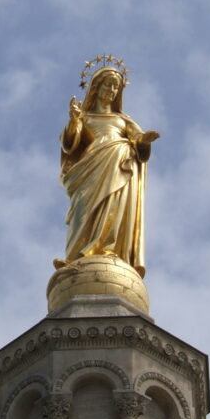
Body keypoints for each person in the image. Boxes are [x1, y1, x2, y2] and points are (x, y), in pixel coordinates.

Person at [57, 66, 159, 278]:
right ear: (96, 87)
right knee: (83, 210)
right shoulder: (85, 117)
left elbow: (138, 139)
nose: (112, 90)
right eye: (108, 85)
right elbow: (69, 146)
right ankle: (75, 256)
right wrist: (75, 120)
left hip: (119, 164)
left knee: (115, 205)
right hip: (90, 167)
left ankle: (110, 248)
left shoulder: (123, 120)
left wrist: (144, 141)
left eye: (116, 87)